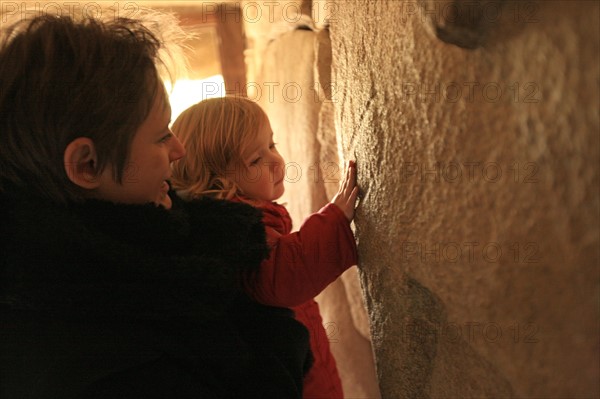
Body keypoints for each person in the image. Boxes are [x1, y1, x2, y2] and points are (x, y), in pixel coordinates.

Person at [0, 13, 311, 398]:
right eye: (162, 135)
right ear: (87, 164)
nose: (179, 151)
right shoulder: (98, 360)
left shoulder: (157, 246)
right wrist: (273, 326)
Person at [170, 96, 359, 399]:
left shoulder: (238, 220)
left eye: (272, 144)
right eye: (255, 160)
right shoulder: (233, 232)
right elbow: (282, 274)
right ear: (217, 180)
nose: (276, 160)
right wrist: (335, 219)